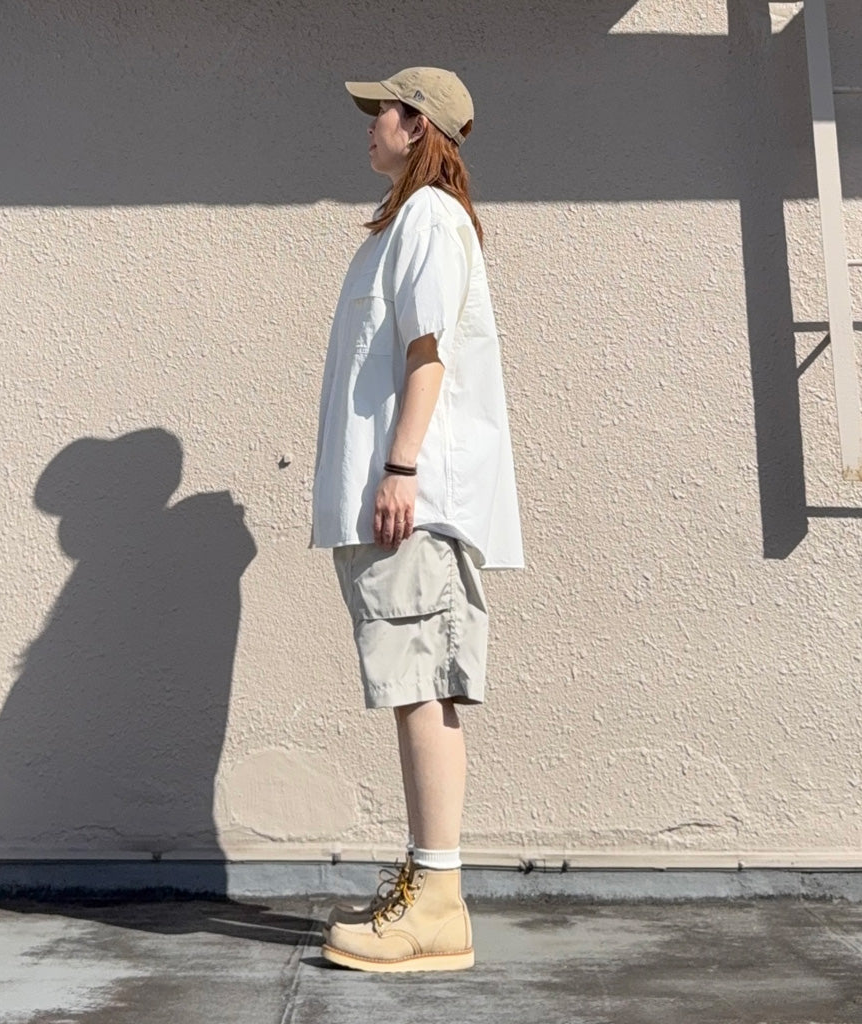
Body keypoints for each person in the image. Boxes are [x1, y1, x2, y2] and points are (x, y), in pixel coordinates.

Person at [311, 66, 523, 973]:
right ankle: (426, 884)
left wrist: (400, 467)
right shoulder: (402, 223)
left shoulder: (430, 218)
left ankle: (438, 903)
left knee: (424, 684)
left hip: (416, 502)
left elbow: (426, 353)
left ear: (419, 124)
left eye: (383, 111)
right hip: (395, 502)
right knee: (411, 685)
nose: (370, 124)